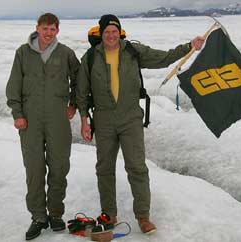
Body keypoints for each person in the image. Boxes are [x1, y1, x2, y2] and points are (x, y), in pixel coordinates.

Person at [76, 14, 205, 234]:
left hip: (130, 118)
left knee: (136, 167)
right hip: (104, 119)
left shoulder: (133, 52)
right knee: (104, 168)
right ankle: (109, 214)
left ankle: (143, 217)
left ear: (120, 32)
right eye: (106, 32)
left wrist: (189, 47)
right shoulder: (90, 57)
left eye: (114, 31)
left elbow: (163, 58)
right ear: (101, 34)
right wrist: (83, 120)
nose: (110, 35)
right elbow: (81, 91)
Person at [6, 13, 80, 240]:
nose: (49, 33)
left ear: (57, 30)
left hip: (58, 118)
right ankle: (38, 217)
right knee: (35, 169)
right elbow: (13, 85)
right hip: (30, 119)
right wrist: (17, 113)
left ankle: (56, 213)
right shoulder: (23, 53)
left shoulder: (66, 53)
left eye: (53, 29)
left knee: (59, 167)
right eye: (45, 28)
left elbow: (80, 79)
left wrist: (74, 103)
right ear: (37, 28)